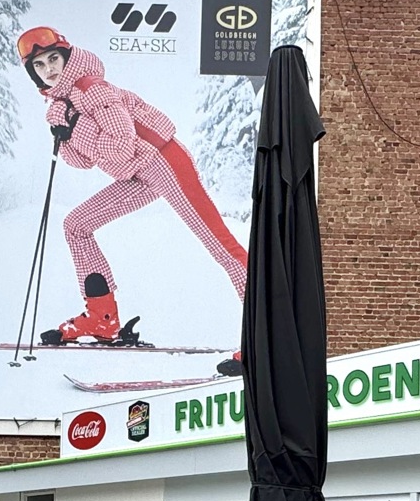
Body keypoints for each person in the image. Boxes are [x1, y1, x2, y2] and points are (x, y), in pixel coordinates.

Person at [18, 26, 248, 345]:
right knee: (76, 226)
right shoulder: (65, 102)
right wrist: (64, 131)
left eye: (53, 58)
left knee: (221, 245)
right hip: (137, 173)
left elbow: (122, 146)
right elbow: (84, 161)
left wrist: (75, 126)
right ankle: (102, 319)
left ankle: (265, 331)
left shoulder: (91, 89)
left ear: (67, 56)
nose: (49, 70)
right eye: (39, 66)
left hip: (165, 161)